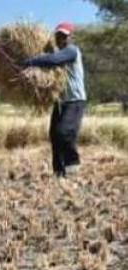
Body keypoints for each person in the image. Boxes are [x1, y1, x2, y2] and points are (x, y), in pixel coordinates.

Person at [24, 22, 87, 177]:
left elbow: (53, 60)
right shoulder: (57, 53)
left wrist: (30, 61)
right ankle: (59, 171)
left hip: (74, 100)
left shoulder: (71, 51)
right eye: (58, 35)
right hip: (61, 102)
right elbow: (50, 63)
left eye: (64, 36)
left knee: (64, 132)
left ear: (69, 37)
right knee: (54, 135)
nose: (61, 39)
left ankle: (72, 165)